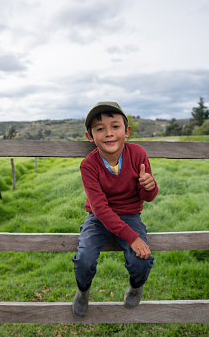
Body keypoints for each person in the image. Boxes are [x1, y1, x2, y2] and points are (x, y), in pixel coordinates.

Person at [72, 101, 158, 318]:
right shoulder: (88, 165)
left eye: (115, 126)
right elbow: (99, 208)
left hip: (130, 215)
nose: (109, 134)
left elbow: (147, 197)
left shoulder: (138, 154)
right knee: (85, 259)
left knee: (141, 260)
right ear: (90, 137)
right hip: (98, 218)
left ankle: (136, 287)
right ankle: (83, 291)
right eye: (100, 129)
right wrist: (132, 238)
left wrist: (150, 186)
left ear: (127, 131)